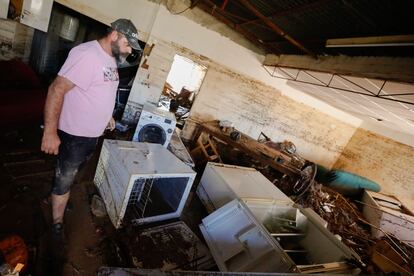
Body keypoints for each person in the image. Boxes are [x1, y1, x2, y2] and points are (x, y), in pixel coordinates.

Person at [41, 19, 141, 236]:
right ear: (114, 35)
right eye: (128, 43)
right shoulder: (87, 55)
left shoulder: (112, 59)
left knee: (71, 173)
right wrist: (50, 132)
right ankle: (57, 221)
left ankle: (58, 196)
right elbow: (56, 90)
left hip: (91, 135)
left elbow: (100, 91)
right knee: (64, 177)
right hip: (74, 134)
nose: (130, 49)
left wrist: (107, 117)